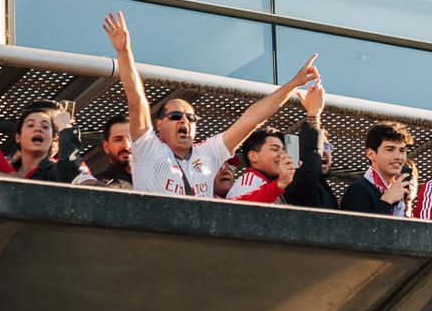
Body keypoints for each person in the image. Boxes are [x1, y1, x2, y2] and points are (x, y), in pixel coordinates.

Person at [103, 12, 319, 198]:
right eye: (176, 116)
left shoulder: (208, 153)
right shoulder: (147, 148)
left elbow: (253, 118)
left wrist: (294, 84)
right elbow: (137, 101)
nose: (185, 121)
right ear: (159, 125)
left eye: (191, 117)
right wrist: (124, 53)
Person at [281, 79, 337, 210]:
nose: (323, 151)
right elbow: (308, 172)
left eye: (327, 146)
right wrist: (313, 116)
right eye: (320, 146)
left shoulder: (323, 187)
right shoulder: (294, 182)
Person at [342, 122, 415, 216]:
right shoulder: (357, 191)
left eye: (402, 150)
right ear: (371, 154)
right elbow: (357, 229)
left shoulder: (397, 193)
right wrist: (387, 201)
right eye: (390, 149)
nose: (398, 156)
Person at [5, 102, 84, 182]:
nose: (38, 129)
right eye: (31, 125)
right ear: (18, 136)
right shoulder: (2, 168)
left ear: (53, 138)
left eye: (45, 126)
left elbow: (70, 169)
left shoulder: (56, 172)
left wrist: (65, 127)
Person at [226, 128, 293, 203]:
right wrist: (279, 184)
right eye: (274, 149)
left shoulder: (269, 182)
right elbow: (237, 210)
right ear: (253, 157)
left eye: (283, 151)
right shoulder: (248, 183)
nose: (282, 155)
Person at [72, 117, 134, 189]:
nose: (126, 145)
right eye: (118, 140)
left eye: (132, 139)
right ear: (106, 147)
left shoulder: (148, 179)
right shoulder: (98, 185)